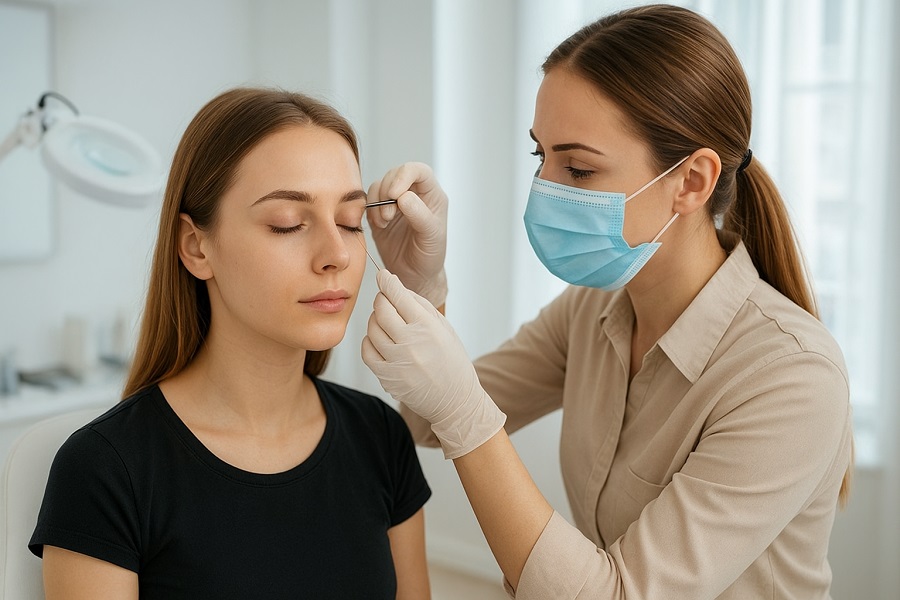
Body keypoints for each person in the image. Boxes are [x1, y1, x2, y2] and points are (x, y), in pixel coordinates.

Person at [361, 4, 853, 599]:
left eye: (579, 168)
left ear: (691, 181)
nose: (546, 190)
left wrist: (465, 409)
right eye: (542, 157)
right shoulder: (591, 313)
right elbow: (423, 419)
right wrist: (423, 287)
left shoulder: (792, 377)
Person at [29, 88, 432, 599]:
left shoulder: (380, 436)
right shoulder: (107, 470)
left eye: (350, 223)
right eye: (288, 224)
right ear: (197, 246)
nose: (337, 254)